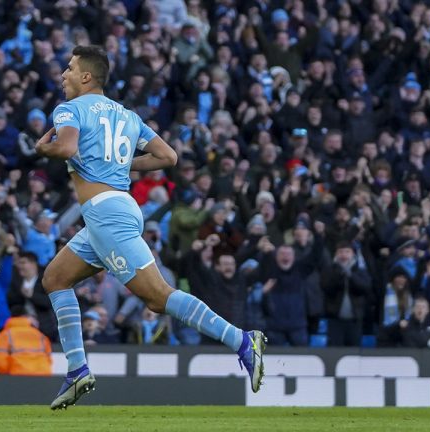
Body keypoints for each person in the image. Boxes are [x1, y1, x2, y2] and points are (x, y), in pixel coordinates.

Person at [35, 45, 265, 410]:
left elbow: (64, 149)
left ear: (86, 76)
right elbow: (168, 157)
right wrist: (123, 165)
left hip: (106, 213)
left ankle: (240, 339)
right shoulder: (127, 116)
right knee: (55, 278)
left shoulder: (69, 109)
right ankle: (77, 369)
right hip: (116, 209)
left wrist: (43, 147)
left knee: (157, 297)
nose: (63, 75)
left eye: (69, 68)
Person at [0, 305, 52, 376]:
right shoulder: (41, 335)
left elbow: (0, 362)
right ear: (26, 317)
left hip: (17, 376)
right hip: (43, 375)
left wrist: (5, 375)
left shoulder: (5, 335)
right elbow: (48, 358)